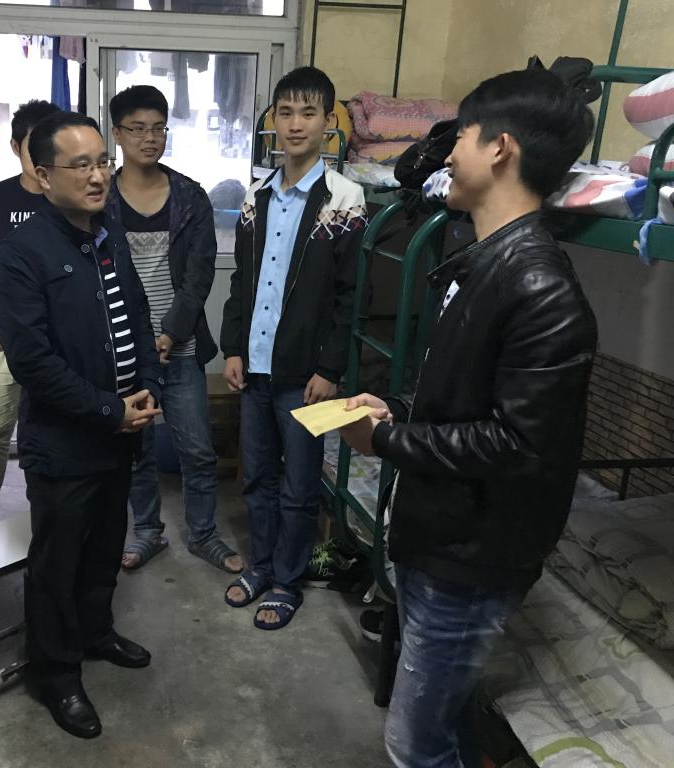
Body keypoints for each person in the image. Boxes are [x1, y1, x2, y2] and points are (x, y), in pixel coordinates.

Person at [339, 68, 598, 768]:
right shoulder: (484, 263)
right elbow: (464, 398)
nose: (449, 152)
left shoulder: (541, 289)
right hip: (444, 538)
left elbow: (517, 444)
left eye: (463, 135)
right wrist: (395, 409)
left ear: (500, 149)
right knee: (444, 725)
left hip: (472, 557)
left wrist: (386, 439)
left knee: (414, 744)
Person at [0, 111, 164, 739]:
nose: (98, 176)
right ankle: (56, 672)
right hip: (64, 445)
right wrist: (108, 410)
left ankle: (95, 633)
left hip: (119, 436)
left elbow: (137, 316)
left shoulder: (106, 237)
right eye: (81, 165)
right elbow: (33, 363)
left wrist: (147, 386)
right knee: (57, 561)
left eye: (102, 162)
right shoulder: (20, 255)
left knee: (103, 546)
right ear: (43, 175)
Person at [219, 66, 367, 630]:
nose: (296, 123)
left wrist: (330, 367)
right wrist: (234, 347)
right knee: (257, 478)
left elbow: (351, 294)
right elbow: (242, 281)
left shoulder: (344, 199)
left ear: (328, 123)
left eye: (309, 113)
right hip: (254, 365)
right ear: (273, 122)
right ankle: (263, 566)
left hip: (306, 374)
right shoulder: (256, 196)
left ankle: (287, 580)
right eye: (286, 112)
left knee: (299, 485)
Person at [104, 84, 242, 574]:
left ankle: (203, 534)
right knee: (137, 450)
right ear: (117, 134)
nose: (150, 138)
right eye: (138, 128)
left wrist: (169, 333)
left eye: (158, 128)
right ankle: (147, 531)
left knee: (198, 450)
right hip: (126, 350)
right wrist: (141, 342)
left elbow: (199, 275)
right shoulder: (102, 199)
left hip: (179, 346)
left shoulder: (189, 197)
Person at [0, 99, 61, 531]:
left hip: (61, 342)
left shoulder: (70, 198)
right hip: (7, 340)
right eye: (31, 145)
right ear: (15, 147)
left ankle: (51, 511)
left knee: (56, 431)